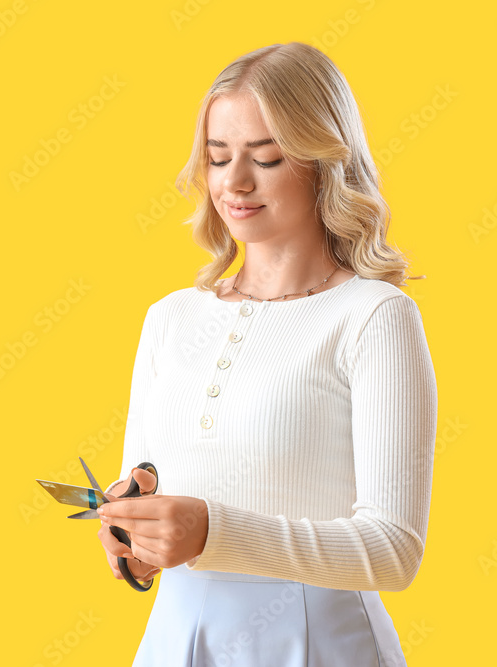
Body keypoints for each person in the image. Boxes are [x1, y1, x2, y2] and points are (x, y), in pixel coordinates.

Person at [95, 41, 438, 666]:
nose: (234, 183)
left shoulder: (373, 317)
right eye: (218, 157)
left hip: (317, 646)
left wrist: (212, 532)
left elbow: (394, 550)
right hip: (177, 643)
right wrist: (132, 537)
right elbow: (146, 507)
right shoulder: (171, 318)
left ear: (323, 161)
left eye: (267, 158)